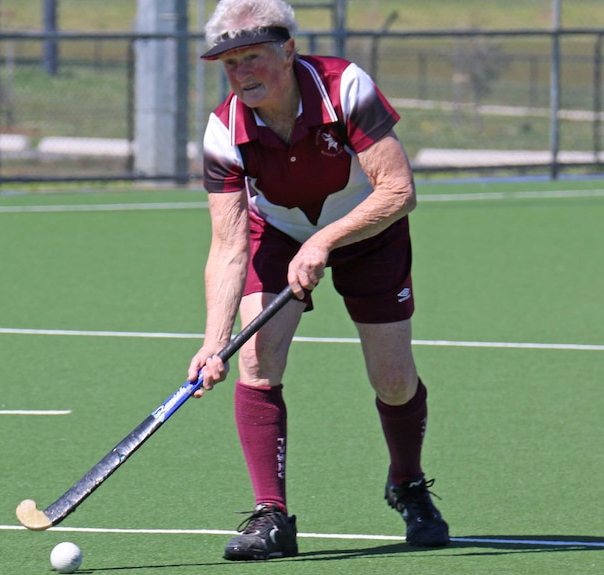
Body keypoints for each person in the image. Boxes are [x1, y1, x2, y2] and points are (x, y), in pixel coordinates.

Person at [187, 0, 450, 561]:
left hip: (368, 227)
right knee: (255, 360)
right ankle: (271, 516)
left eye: (252, 57)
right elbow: (229, 244)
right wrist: (212, 344)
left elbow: (399, 191)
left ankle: (406, 483)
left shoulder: (344, 87)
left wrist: (325, 241)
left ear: (288, 50)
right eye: (229, 64)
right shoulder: (223, 129)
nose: (241, 74)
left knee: (394, 380)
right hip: (278, 232)